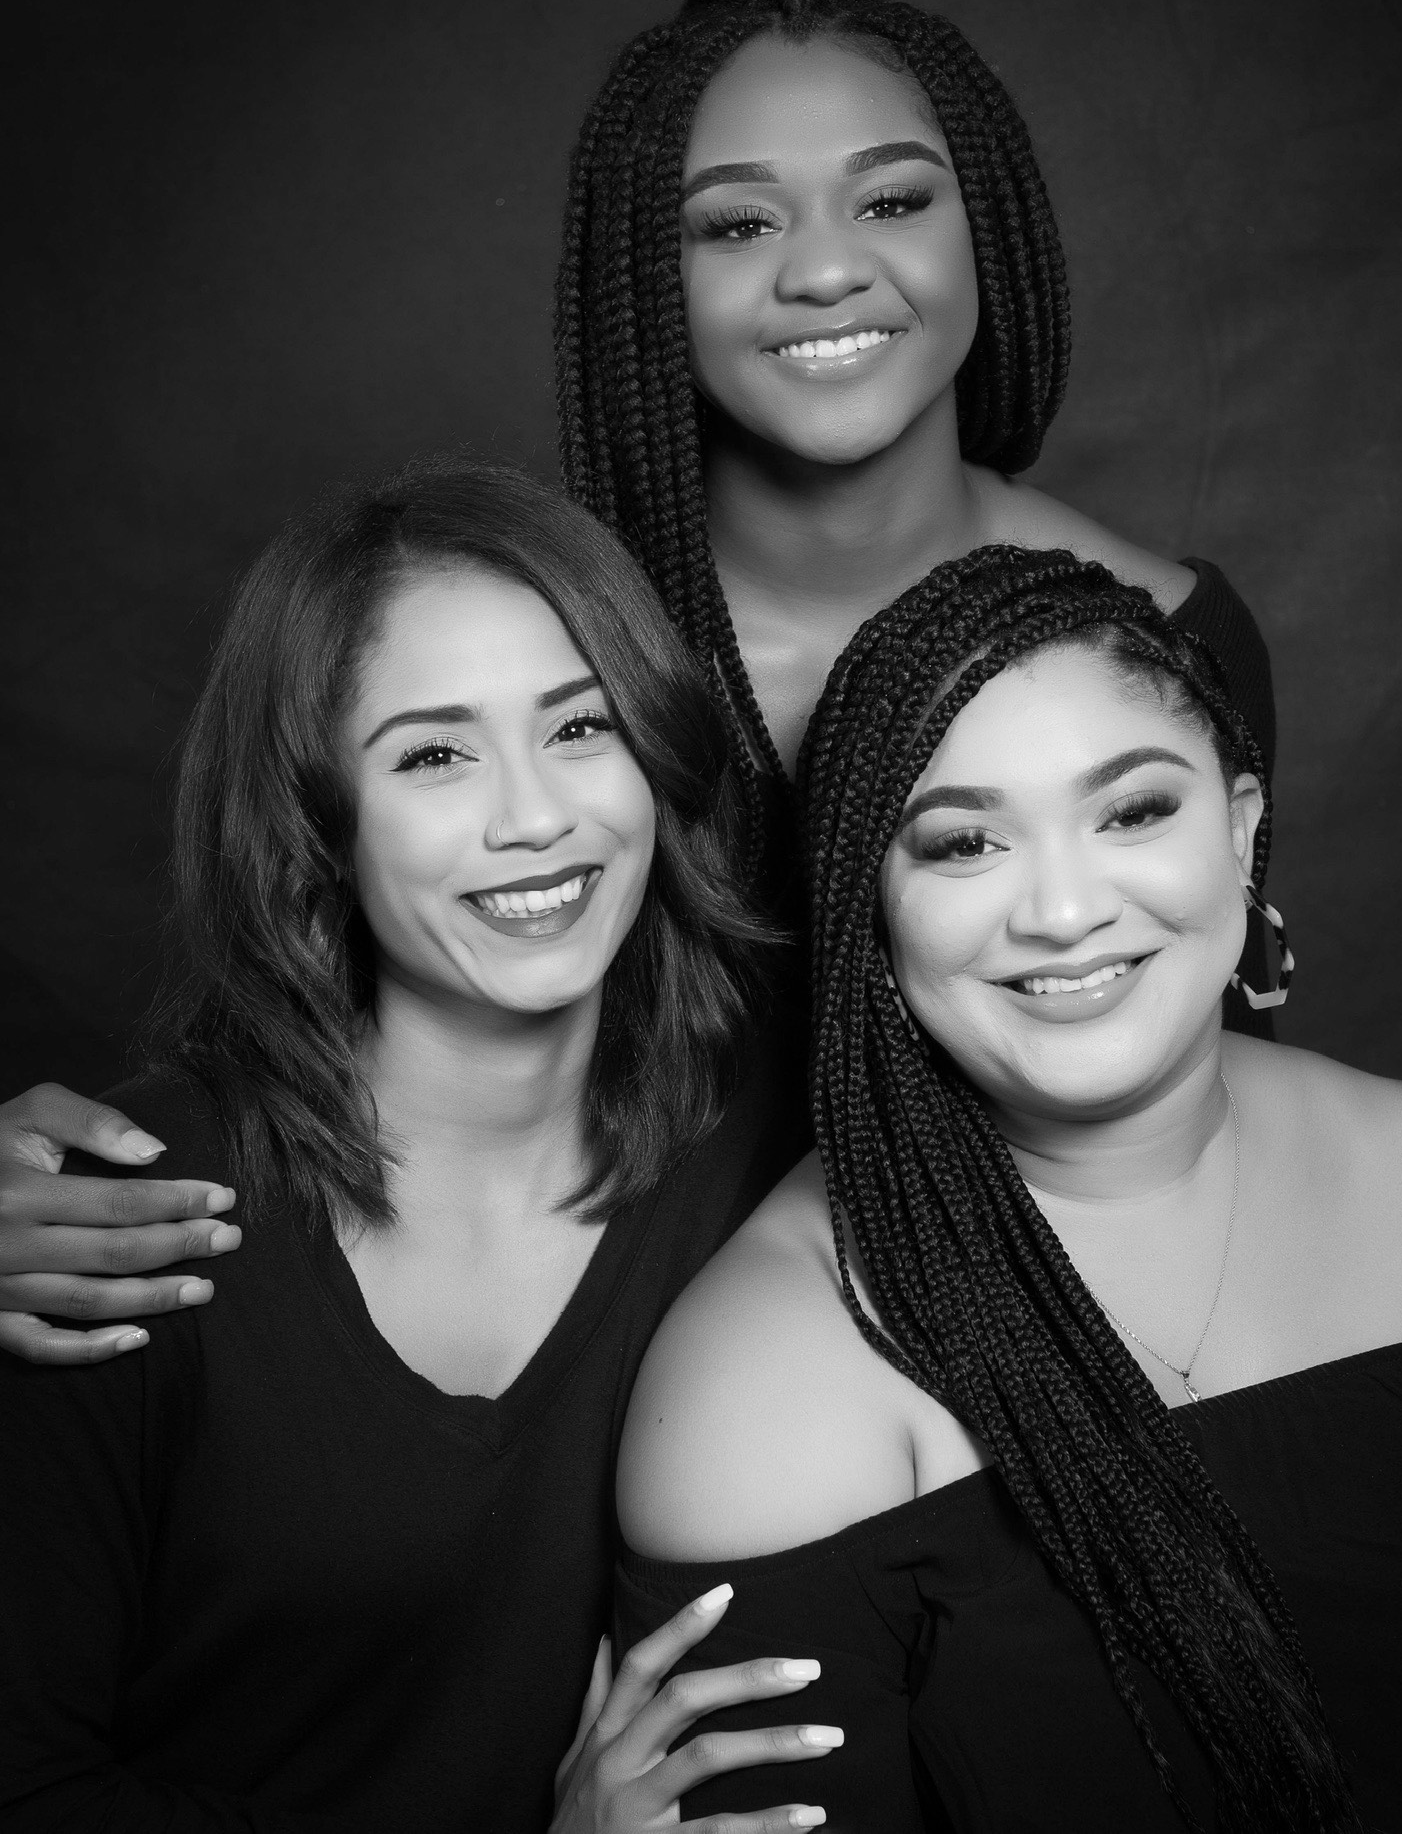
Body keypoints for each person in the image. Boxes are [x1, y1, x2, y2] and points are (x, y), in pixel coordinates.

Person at [4, 0, 1402, 1363]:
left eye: (892, 201)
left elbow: (1202, 1074)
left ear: (988, 229)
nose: (825, 269)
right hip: (621, 1370)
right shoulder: (558, 654)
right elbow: (353, 1007)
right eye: (737, 222)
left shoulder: (1163, 632)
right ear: (646, 276)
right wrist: (78, 1172)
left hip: (1059, 1361)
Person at [613, 546, 1402, 1831]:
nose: (1064, 909)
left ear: (1238, 829)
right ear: (868, 910)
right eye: (963, 841)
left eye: (1131, 811)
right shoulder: (753, 1392)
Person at [0, 460, 845, 1834]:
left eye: (581, 725)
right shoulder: (114, 1219)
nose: (535, 815)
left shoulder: (785, 1127)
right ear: (316, 817)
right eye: (434, 754)